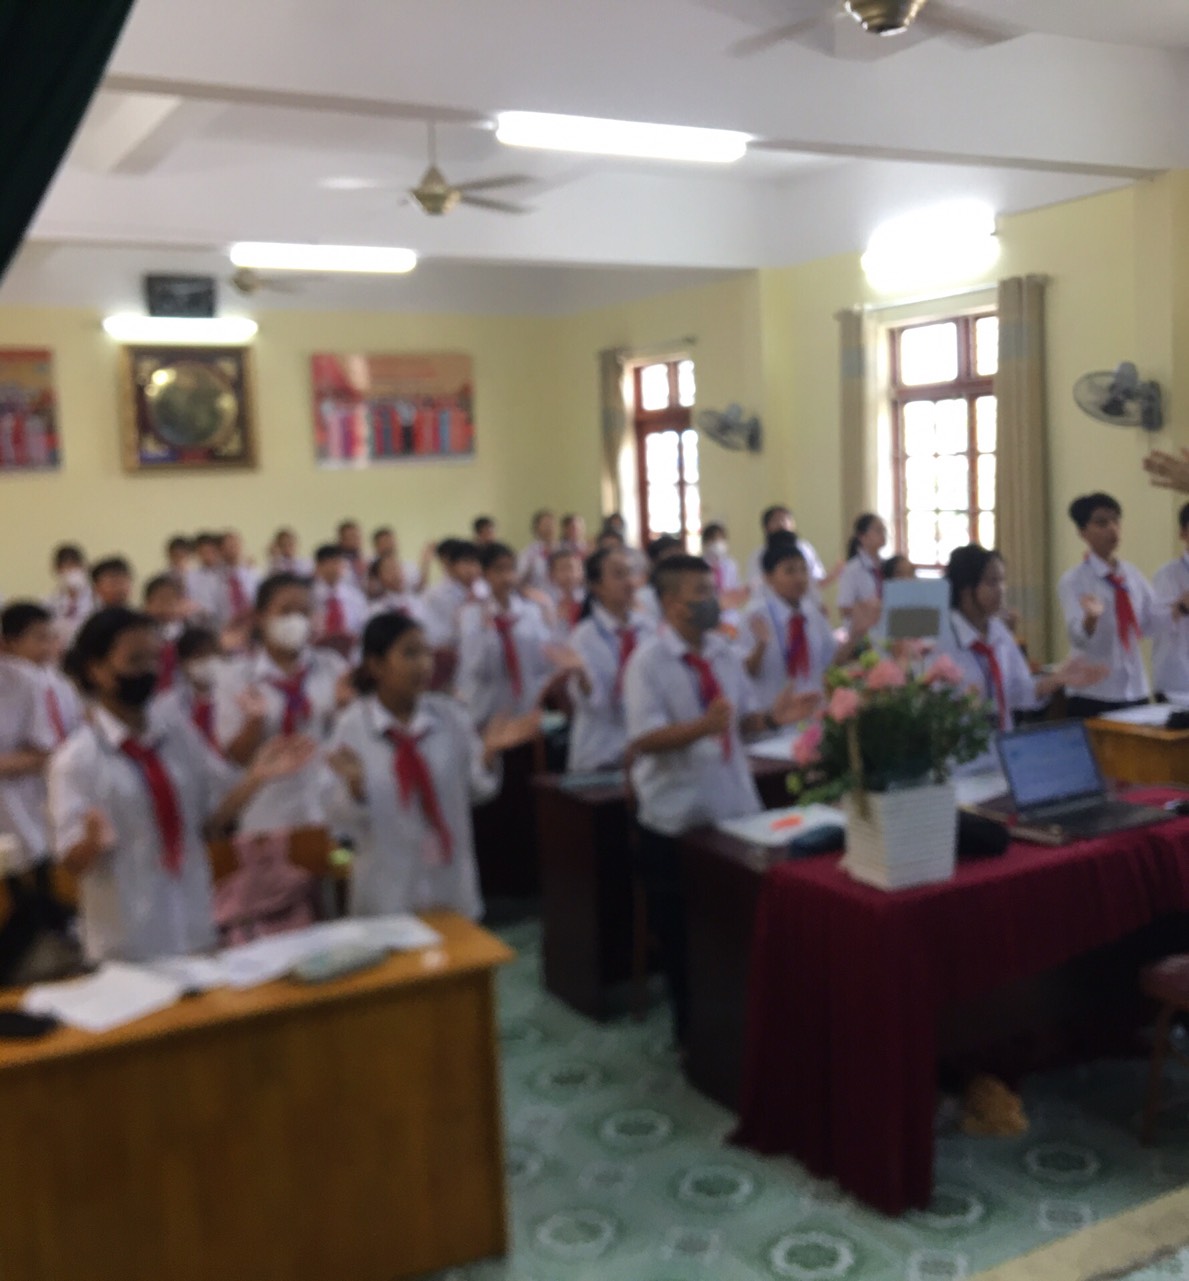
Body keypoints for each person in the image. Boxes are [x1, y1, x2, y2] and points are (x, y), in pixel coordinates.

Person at [623, 555, 816, 1043]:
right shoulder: (648, 662)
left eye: (712, 590)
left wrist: (773, 718)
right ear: (672, 603)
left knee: (736, 930)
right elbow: (644, 738)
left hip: (733, 810)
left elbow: (742, 721)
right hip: (676, 819)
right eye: (701, 594)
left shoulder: (722, 652)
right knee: (686, 939)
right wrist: (701, 727)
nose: (713, 601)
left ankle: (741, 1031)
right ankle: (694, 1038)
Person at [50, 607, 312, 963]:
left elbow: (211, 820)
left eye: (154, 659)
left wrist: (255, 778)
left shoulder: (177, 734)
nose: (148, 671)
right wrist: (92, 843)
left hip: (194, 921)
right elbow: (71, 862)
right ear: (96, 669)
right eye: (134, 660)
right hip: (126, 939)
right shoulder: (76, 761)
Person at [325, 613, 541, 920]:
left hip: (448, 883)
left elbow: (477, 791)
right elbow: (341, 824)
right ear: (376, 665)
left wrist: (489, 754)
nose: (424, 664)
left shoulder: (451, 716)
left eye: (427, 653)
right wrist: (356, 788)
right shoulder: (352, 729)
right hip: (385, 892)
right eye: (410, 653)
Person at [940, 545, 1106, 769]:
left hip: (1001, 756)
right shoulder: (942, 639)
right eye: (992, 582)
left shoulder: (998, 633)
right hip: (958, 762)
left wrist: (1058, 679)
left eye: (1002, 581)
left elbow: (1019, 691)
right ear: (966, 590)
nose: (1001, 589)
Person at [212, 574, 350, 833]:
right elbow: (238, 758)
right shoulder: (236, 677)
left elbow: (348, 737)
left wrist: (344, 710)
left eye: (305, 612)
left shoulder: (332, 666)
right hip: (267, 811)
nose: (296, 620)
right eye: (286, 611)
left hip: (326, 805)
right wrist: (254, 722)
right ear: (260, 617)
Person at [1057, 493, 1166, 717]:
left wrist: (1177, 608)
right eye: (1101, 523)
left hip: (1134, 687)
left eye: (1116, 520)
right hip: (1093, 691)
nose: (1112, 528)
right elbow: (1077, 638)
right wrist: (1091, 618)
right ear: (1082, 532)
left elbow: (1151, 625)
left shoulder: (1132, 575)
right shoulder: (1075, 580)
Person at [741, 537, 879, 707]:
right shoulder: (755, 616)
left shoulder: (813, 614)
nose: (799, 578)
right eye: (790, 571)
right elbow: (745, 672)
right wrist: (761, 646)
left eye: (803, 570)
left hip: (813, 711)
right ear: (769, 578)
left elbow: (831, 662)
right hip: (774, 714)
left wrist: (855, 634)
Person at [0, 604, 72, 917]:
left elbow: (45, 750)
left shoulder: (26, 681)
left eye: (49, 638)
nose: (47, 646)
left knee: (34, 871)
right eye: (38, 638)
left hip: (23, 797)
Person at [565, 547, 655, 772]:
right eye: (618, 575)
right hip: (601, 752)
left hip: (646, 750)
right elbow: (592, 703)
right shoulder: (584, 636)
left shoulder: (648, 629)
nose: (629, 582)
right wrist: (583, 677)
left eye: (631, 573)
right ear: (596, 586)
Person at [457, 542, 559, 727]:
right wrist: (488, 632)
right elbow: (477, 668)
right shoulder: (472, 615)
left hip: (528, 705)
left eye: (511, 569)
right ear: (485, 574)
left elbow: (543, 661)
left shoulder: (530, 611)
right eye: (499, 570)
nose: (507, 577)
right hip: (487, 709)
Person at [154, 625, 222, 749]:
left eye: (212, 654)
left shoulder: (225, 694)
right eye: (200, 655)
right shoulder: (169, 702)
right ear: (182, 661)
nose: (208, 661)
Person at [1151, 501, 1189, 699]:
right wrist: (1181, 606)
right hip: (1177, 683)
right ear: (1183, 533)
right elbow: (1156, 624)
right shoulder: (1167, 575)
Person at [420, 539, 484, 651]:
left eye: (476, 562)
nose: (473, 569)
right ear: (451, 566)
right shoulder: (435, 596)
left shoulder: (484, 591)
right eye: (466, 562)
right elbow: (435, 636)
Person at [746, 505, 829, 591]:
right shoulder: (759, 554)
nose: (782, 523)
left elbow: (817, 579)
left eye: (786, 519)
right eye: (776, 519)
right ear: (766, 527)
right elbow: (754, 586)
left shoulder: (804, 548)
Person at [311, 544, 368, 648]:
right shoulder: (309, 595)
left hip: (351, 649)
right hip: (318, 650)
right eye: (330, 563)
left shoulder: (355, 596)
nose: (334, 567)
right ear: (318, 566)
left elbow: (363, 625)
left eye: (338, 562)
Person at [836, 514, 888, 621]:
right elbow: (844, 608)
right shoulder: (851, 569)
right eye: (878, 530)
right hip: (863, 627)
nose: (883, 534)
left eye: (884, 530)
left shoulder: (886, 565)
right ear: (862, 537)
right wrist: (868, 607)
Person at [142, 574, 185, 691]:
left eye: (172, 600)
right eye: (160, 599)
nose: (166, 606)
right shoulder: (141, 634)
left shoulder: (187, 633)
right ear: (147, 604)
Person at [46, 543, 92, 646]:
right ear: (57, 570)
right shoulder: (49, 602)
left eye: (75, 565)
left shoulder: (96, 599)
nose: (71, 571)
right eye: (65, 566)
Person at [635, 535, 684, 621]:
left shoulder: (688, 594)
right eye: (672, 562)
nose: (678, 567)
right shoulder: (643, 597)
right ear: (655, 562)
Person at [368, 552, 426, 623]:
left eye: (397, 566)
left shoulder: (416, 598)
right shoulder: (378, 610)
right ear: (378, 578)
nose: (395, 572)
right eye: (389, 569)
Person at [219, 530, 260, 628]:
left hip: (251, 624)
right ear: (221, 549)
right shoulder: (216, 575)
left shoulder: (254, 573)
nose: (232, 549)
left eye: (235, 545)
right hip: (225, 625)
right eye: (228, 546)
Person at [545, 548, 585, 638]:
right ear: (551, 575)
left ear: (582, 572)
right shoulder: (546, 603)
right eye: (563, 569)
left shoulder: (590, 601)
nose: (569, 574)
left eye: (573, 568)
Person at [517, 509, 558, 593]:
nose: (550, 527)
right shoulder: (528, 554)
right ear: (536, 528)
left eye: (552, 524)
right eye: (546, 524)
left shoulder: (563, 549)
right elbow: (519, 579)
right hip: (537, 596)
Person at [188, 532, 225, 622]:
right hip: (203, 621)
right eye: (202, 552)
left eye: (210, 551)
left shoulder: (228, 573)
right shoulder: (191, 577)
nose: (207, 556)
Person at [701, 523, 742, 599]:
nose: (718, 543)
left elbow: (736, 588)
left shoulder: (731, 564)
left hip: (729, 604)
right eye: (714, 539)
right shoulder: (701, 565)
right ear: (705, 542)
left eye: (721, 539)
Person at [337, 519, 368, 591]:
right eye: (351, 536)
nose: (356, 540)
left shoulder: (367, 560)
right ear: (341, 539)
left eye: (357, 536)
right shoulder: (336, 562)